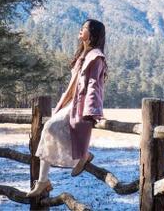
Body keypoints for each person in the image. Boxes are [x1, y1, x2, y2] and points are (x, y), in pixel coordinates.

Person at [26, 19, 108, 197]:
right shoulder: (83, 56)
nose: (81, 29)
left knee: (49, 127)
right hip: (73, 103)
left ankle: (80, 157)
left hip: (82, 105)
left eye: (84, 28)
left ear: (92, 34)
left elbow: (94, 85)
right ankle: (44, 181)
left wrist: (92, 110)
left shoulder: (96, 57)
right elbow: (73, 86)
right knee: (49, 130)